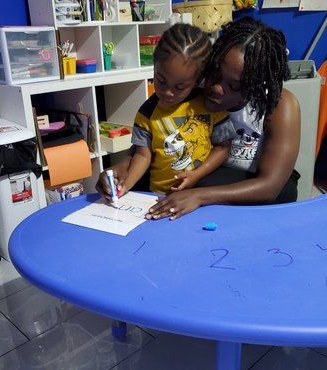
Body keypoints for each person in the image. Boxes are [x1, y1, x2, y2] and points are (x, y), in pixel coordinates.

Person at [98, 17, 301, 220]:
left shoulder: (280, 105)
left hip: (254, 182)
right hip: (209, 173)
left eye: (235, 86)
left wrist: (199, 196)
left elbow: (271, 186)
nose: (216, 88)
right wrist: (120, 169)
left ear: (256, 85)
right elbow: (150, 136)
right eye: (214, 73)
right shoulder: (190, 85)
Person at [98, 23, 235, 197]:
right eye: (161, 81)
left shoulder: (210, 106)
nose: (167, 92)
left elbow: (223, 147)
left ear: (198, 79)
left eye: (180, 87)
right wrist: (124, 187)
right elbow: (142, 155)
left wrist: (196, 175)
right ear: (155, 67)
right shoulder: (147, 112)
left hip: (200, 195)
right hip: (160, 196)